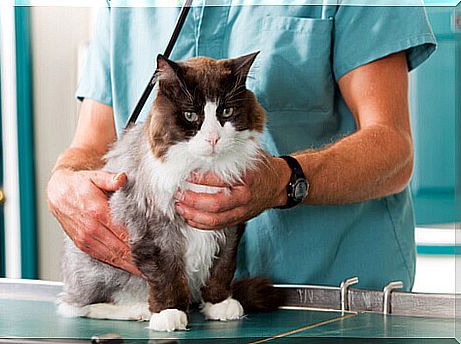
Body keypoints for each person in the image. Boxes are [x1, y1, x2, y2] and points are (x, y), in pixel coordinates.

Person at [47, 1, 436, 291]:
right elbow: (91, 145)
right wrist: (64, 183)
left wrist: (284, 180)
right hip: (179, 306)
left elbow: (393, 148)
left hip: (332, 299)